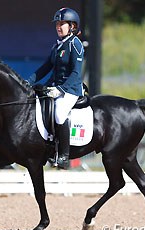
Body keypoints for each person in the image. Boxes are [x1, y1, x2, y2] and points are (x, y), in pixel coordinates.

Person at [27, 7, 84, 169]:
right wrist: (27, 82)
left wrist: (61, 90)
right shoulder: (58, 45)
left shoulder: (75, 44)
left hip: (71, 90)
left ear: (72, 26)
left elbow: (76, 73)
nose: (58, 27)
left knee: (59, 113)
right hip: (55, 87)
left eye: (62, 24)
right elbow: (45, 68)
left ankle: (64, 156)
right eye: (57, 24)